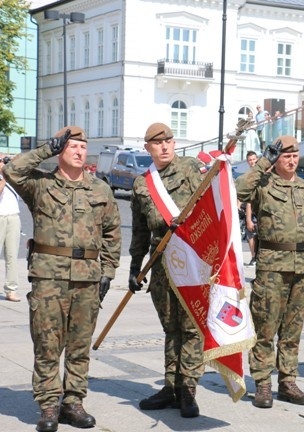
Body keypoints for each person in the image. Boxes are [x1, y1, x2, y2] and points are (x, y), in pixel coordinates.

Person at [2, 126, 121, 432]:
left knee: (80, 345)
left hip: (87, 279)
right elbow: (12, 170)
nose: (80, 151)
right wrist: (45, 148)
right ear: (60, 151)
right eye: (72, 146)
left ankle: (73, 403)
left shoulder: (100, 190)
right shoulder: (40, 185)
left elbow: (112, 233)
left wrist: (107, 272)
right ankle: (49, 404)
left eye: (83, 146)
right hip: (48, 277)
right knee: (47, 345)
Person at [236, 135, 304, 409]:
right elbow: (237, 191)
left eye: (294, 154)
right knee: (265, 327)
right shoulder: (263, 185)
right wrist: (265, 161)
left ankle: (288, 381)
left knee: (292, 330)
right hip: (272, 267)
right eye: (285, 155)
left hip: (302, 266)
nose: (291, 159)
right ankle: (263, 382)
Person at [129, 122, 205, 418]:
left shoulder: (191, 169)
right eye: (157, 143)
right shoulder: (141, 184)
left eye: (168, 141)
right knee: (171, 327)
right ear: (147, 147)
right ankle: (171, 386)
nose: (164, 146)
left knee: (191, 327)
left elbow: (211, 204)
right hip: (160, 262)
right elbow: (138, 230)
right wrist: (136, 267)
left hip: (192, 258)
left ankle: (188, 389)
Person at [0, 154, 21, 302]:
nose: (4, 163)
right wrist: (4, 175)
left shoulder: (12, 176)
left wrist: (13, 162)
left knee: (12, 255)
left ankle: (11, 289)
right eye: (2, 160)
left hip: (14, 216)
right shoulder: (4, 177)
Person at [244, 151, 259, 266]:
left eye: (254, 159)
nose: (252, 162)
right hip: (251, 209)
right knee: (250, 234)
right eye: (250, 160)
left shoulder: (262, 173)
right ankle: (254, 256)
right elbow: (247, 199)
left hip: (261, 210)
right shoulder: (247, 176)